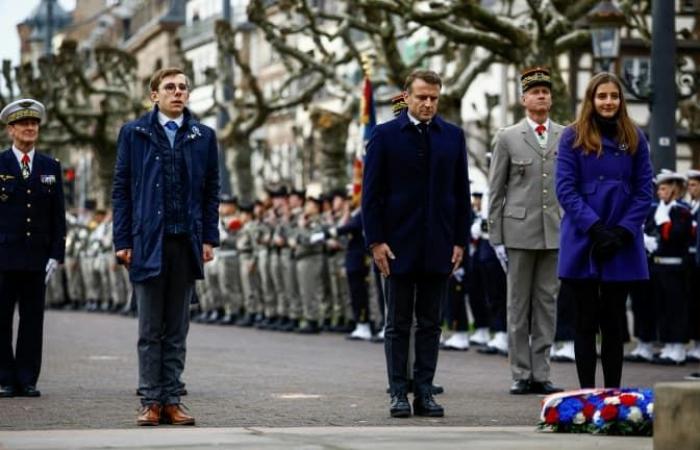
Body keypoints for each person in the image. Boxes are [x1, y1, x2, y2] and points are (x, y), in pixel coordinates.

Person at [112, 67, 220, 426]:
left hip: (184, 243)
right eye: (170, 87)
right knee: (149, 329)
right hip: (147, 242)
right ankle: (150, 402)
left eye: (183, 87)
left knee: (177, 328)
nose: (178, 92)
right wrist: (123, 239)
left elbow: (210, 192)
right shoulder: (134, 133)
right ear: (153, 95)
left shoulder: (203, 136)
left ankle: (172, 399)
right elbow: (122, 190)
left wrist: (209, 237)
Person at [362, 69, 470, 418]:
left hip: (438, 244)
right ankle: (398, 391)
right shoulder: (385, 136)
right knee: (397, 322)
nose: (427, 104)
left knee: (430, 322)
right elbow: (372, 195)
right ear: (406, 96)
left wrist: (459, 240)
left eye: (433, 98)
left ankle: (424, 391)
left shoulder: (452, 137)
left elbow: (460, 194)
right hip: (397, 246)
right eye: (422, 97)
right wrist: (376, 241)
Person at [556, 72, 653, 388]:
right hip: (584, 237)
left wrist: (623, 231)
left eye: (614, 96)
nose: (608, 102)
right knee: (584, 323)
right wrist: (595, 228)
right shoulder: (571, 136)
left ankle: (612, 395)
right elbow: (565, 189)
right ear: (591, 100)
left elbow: (644, 191)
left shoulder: (636, 137)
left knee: (613, 324)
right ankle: (586, 395)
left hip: (622, 240)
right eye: (602, 96)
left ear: (620, 100)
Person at [487, 67, 564, 395]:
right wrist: (496, 236)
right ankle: (520, 372)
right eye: (535, 92)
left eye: (546, 91)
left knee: (547, 303)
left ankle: (541, 371)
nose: (541, 96)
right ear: (523, 99)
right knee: (518, 304)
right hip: (517, 231)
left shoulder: (565, 135)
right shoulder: (507, 136)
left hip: (554, 231)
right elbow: (496, 189)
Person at [0, 98, 66, 398]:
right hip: (4, 256)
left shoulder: (50, 166)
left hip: (37, 258)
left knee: (32, 321)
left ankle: (27, 378)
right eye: (23, 124)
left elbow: (57, 216)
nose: (30, 128)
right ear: (10, 129)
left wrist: (56, 253)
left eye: (34, 123)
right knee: (1, 320)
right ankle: (4, 378)